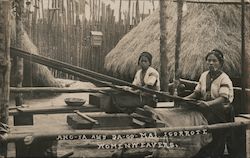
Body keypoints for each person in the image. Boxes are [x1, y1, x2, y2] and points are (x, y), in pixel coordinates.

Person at [185, 49, 234, 158]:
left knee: (216, 135)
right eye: (209, 60)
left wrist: (208, 104)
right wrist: (185, 99)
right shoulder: (204, 75)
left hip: (221, 110)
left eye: (214, 61)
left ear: (220, 63)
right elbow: (197, 93)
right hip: (206, 108)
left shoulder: (224, 78)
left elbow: (223, 98)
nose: (211, 63)